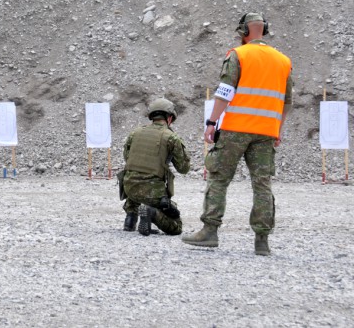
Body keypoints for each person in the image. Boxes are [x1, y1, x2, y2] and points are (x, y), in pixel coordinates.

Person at [183, 13, 292, 256]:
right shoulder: (284, 61)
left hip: (236, 129)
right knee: (262, 185)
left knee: (219, 178)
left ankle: (209, 231)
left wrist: (212, 122)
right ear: (264, 30)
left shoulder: (238, 54)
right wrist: (277, 129)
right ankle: (262, 241)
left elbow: (225, 91)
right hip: (266, 132)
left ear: (244, 31)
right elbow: (287, 102)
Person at [120, 98, 191, 236]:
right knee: (176, 227)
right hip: (152, 193)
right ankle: (151, 213)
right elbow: (183, 168)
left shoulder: (135, 133)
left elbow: (127, 158)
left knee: (136, 173)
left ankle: (130, 219)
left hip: (129, 189)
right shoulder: (171, 137)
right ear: (169, 118)